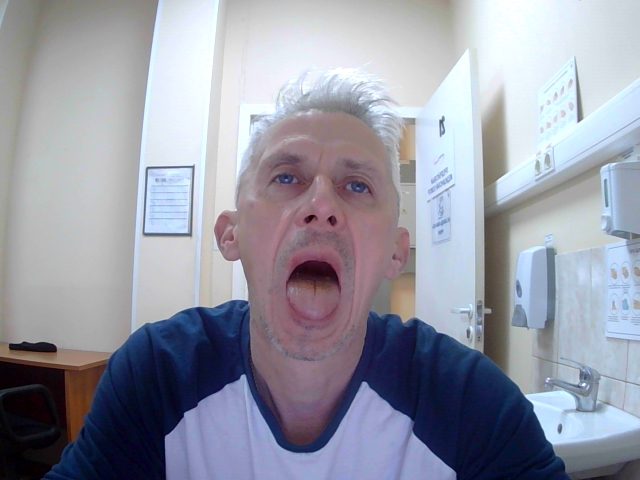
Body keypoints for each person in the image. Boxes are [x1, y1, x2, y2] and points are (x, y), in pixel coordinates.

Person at [45, 69, 568, 479]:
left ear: (395, 252)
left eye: (357, 185)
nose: (321, 205)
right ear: (231, 234)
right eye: (286, 176)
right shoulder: (157, 376)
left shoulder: (470, 402)